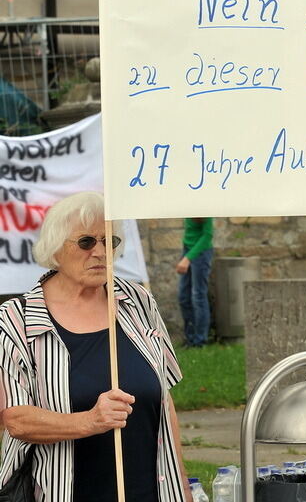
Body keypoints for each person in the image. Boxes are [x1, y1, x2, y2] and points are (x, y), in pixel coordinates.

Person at [0, 191, 191, 501]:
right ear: (55, 249)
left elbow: (165, 403)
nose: (101, 252)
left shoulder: (137, 302)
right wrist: (89, 420)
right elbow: (16, 419)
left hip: (151, 490)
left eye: (109, 242)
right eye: (87, 242)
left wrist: (182, 486)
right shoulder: (16, 319)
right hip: (63, 491)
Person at [176, 217, 214, 347]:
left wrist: (187, 258)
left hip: (201, 252)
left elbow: (207, 236)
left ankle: (200, 341)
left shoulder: (203, 205)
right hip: (188, 248)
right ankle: (190, 339)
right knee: (183, 297)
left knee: (198, 296)